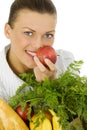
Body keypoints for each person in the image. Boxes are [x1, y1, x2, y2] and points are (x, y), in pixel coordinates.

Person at [0, 0, 74, 102]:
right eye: (28, 33)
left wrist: (53, 85)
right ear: (8, 31)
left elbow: (78, 116)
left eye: (48, 35)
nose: (38, 45)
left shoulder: (65, 63)